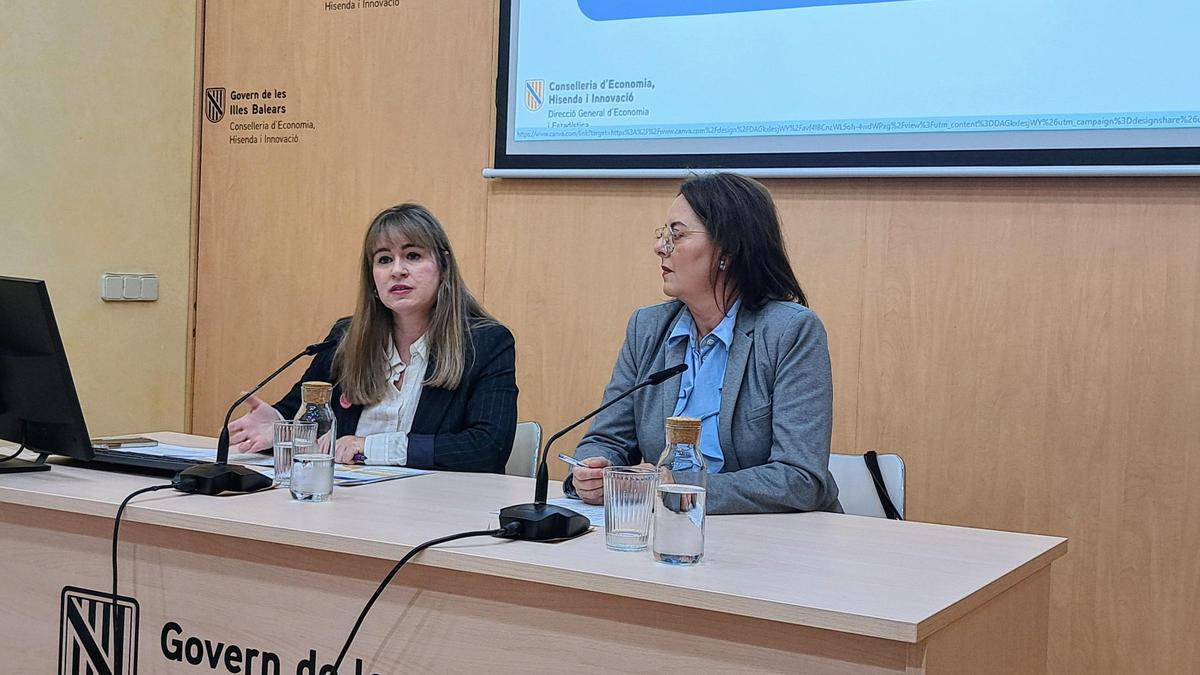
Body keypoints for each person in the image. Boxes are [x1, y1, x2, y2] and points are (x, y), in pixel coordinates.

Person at [568, 173, 841, 514]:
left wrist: (685, 489)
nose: (660, 246)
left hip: (775, 538)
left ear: (726, 249)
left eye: (677, 234)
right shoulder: (648, 328)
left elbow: (801, 477)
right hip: (666, 528)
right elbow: (605, 440)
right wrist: (592, 471)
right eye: (662, 234)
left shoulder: (790, 332)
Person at [227, 203, 517, 473]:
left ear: (443, 267)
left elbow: (487, 447)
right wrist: (280, 424)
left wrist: (368, 448)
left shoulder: (485, 344)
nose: (397, 270)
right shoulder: (345, 338)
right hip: (347, 503)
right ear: (373, 279)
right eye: (384, 259)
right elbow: (304, 413)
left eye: (413, 256)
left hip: (435, 508)